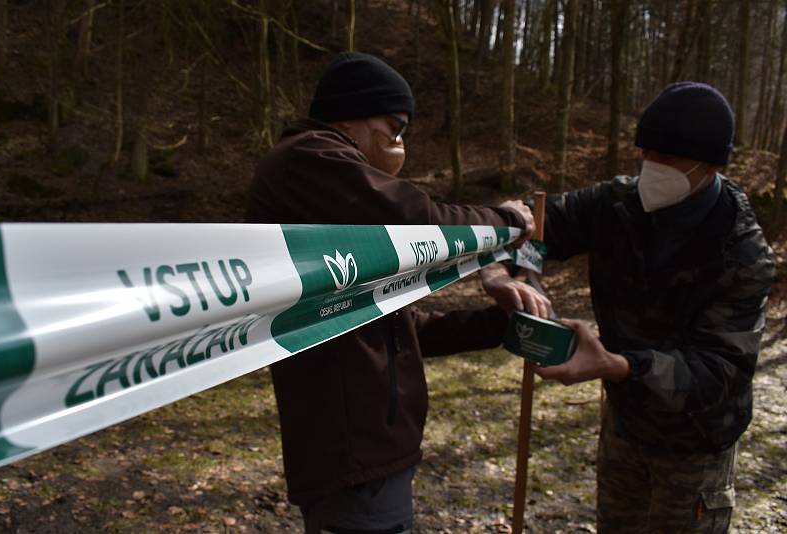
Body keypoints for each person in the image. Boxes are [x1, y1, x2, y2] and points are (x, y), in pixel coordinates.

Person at [247, 52, 549, 533]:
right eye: (395, 126)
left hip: (373, 443)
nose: (399, 143)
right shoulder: (309, 159)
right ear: (352, 113)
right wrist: (503, 223)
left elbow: (399, 327)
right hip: (350, 444)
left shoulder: (338, 210)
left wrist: (500, 325)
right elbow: (419, 221)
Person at [482, 82, 775, 533]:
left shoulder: (740, 251)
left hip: (695, 445)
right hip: (625, 426)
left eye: (669, 159)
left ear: (712, 165)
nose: (652, 169)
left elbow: (719, 373)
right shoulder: (617, 204)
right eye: (646, 155)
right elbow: (535, 224)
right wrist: (498, 265)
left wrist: (618, 365)